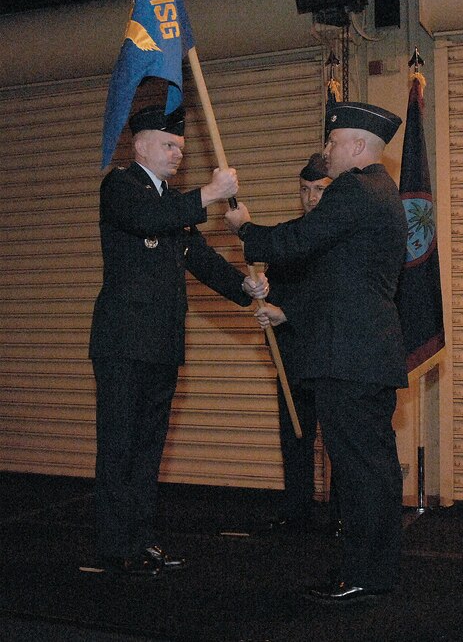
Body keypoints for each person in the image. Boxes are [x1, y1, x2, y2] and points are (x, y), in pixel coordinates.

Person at [225, 102, 407, 604]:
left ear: (355, 147)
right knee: (374, 466)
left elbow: (300, 241)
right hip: (369, 348)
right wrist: (290, 312)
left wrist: (246, 229)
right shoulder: (383, 193)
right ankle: (379, 568)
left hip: (348, 352)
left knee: (358, 469)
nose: (326, 150)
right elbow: (338, 276)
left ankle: (363, 572)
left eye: (332, 142)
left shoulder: (353, 188)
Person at [89, 104, 256, 577]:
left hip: (162, 343)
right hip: (123, 344)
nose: (177, 154)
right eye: (169, 145)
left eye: (181, 148)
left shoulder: (175, 202)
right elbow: (146, 220)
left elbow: (198, 258)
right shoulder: (121, 187)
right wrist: (208, 194)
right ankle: (112, 544)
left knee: (148, 449)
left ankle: (140, 539)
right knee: (119, 446)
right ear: (140, 145)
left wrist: (243, 289)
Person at [246, 154, 334, 532]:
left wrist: (290, 312)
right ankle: (296, 510)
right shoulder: (289, 236)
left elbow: (331, 297)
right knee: (295, 436)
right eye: (304, 190)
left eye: (319, 190)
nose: (311, 199)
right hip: (293, 355)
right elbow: (275, 291)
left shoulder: (339, 238)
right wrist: (264, 301)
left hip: (332, 354)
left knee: (339, 440)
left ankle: (342, 516)